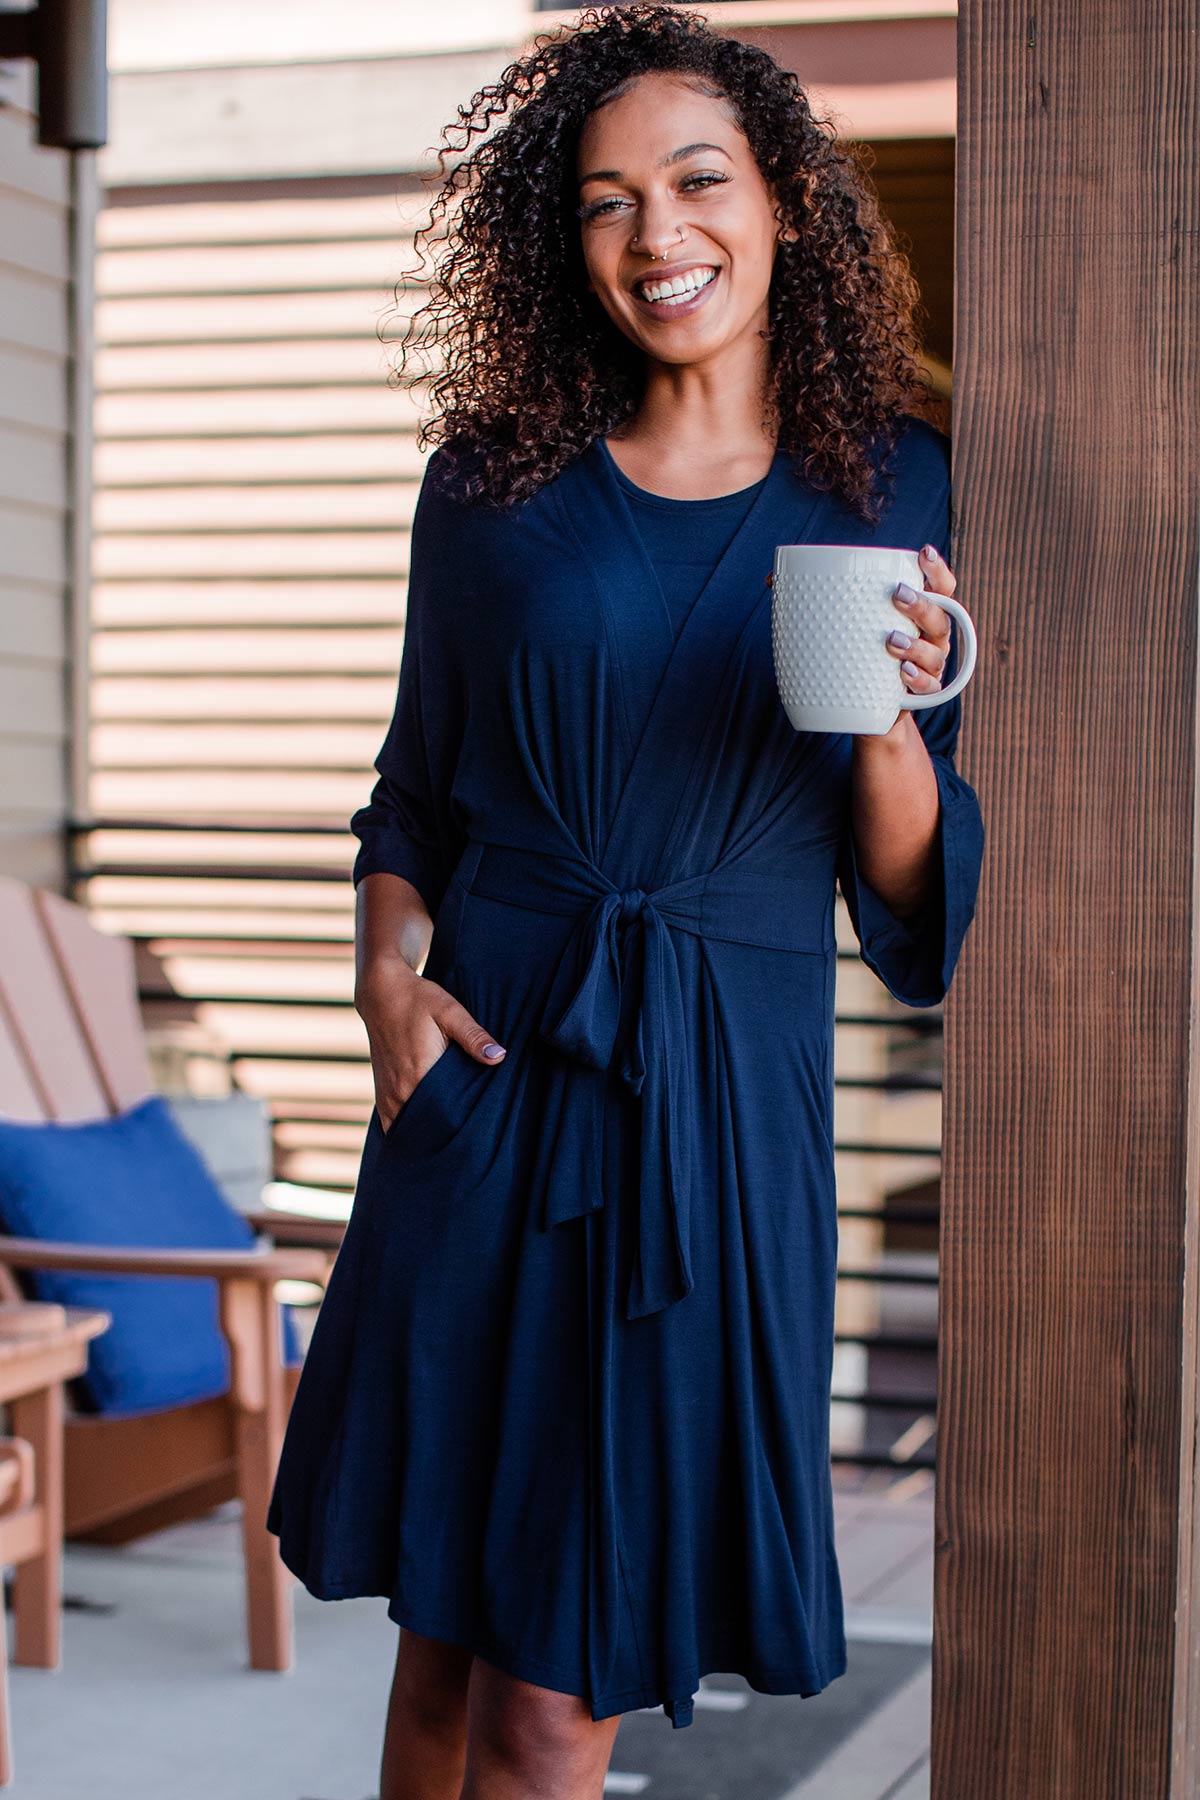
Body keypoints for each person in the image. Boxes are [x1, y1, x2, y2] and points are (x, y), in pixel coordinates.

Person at [266, 6, 984, 1797]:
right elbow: (411, 792)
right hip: (490, 1072)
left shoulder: (896, 483)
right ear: (560, 242)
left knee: (547, 1695)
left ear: (787, 206)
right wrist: (381, 985)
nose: (659, 235)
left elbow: (907, 890)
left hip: (717, 1118)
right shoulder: (493, 488)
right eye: (606, 202)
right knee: (442, 1642)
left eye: (697, 181)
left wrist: (893, 720)